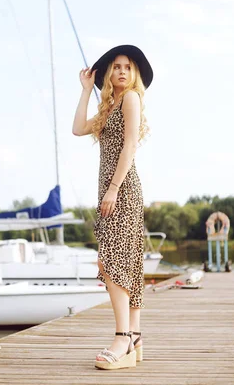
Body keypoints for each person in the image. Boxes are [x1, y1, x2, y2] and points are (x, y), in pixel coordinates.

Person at [72, 45, 153, 370]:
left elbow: (130, 144)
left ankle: (122, 337)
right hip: (111, 191)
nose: (121, 71)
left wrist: (114, 189)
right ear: (109, 74)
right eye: (116, 67)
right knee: (126, 263)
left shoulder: (131, 98)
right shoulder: (110, 106)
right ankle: (134, 337)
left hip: (122, 189)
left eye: (127, 67)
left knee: (111, 263)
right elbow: (78, 128)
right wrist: (85, 91)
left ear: (133, 75)